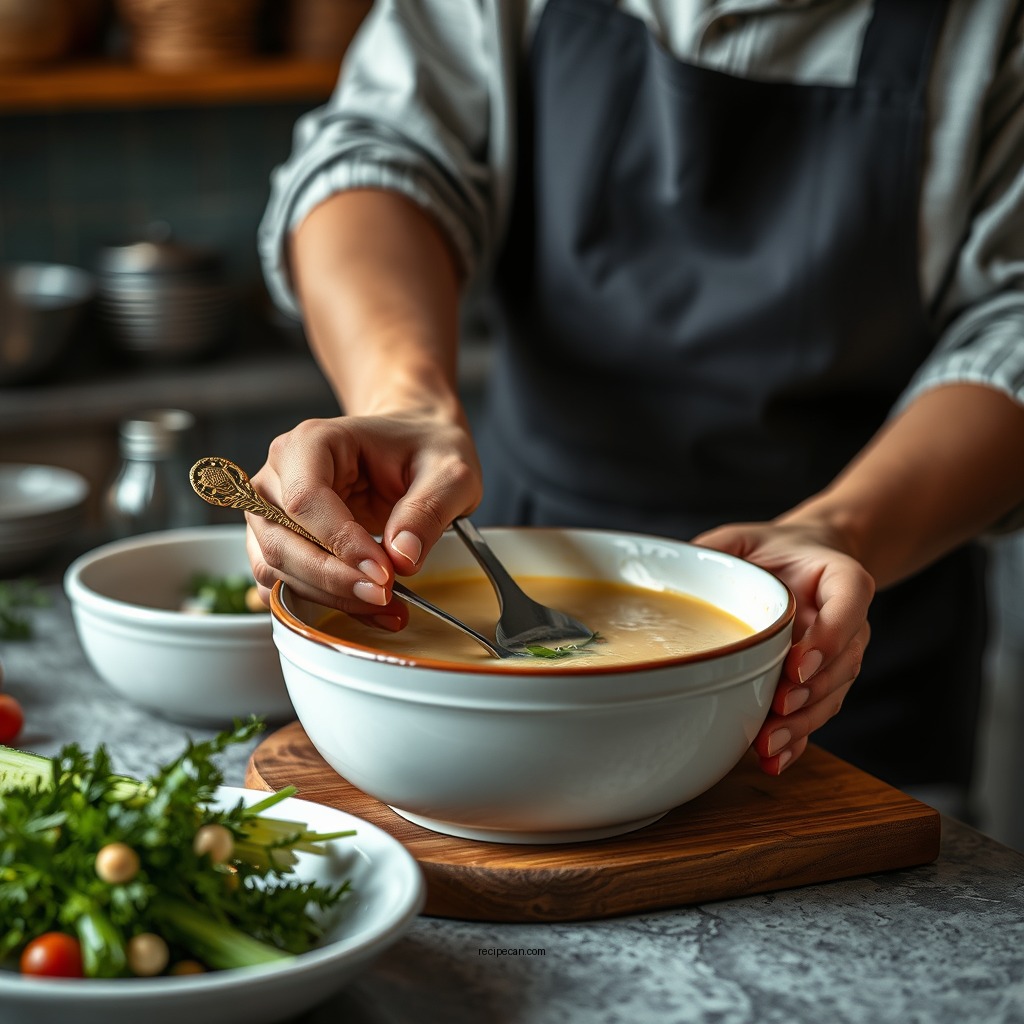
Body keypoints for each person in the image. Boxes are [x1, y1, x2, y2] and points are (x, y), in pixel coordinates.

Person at [249, 0, 1024, 801]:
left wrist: (840, 528)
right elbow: (382, 152)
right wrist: (404, 400)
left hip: (836, 649)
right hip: (521, 541)